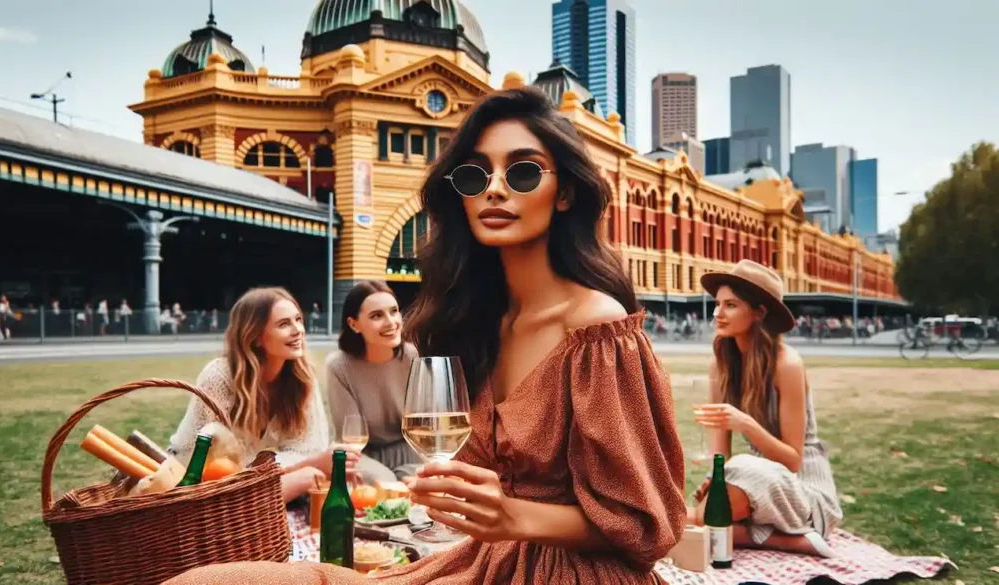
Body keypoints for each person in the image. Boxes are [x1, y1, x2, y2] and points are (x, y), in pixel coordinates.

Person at [165, 87, 686, 584]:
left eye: (524, 172)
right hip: (483, 563)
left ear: (566, 193)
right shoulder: (480, 324)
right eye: (475, 175)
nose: (495, 188)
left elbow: (648, 525)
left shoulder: (597, 327)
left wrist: (515, 516)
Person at [690, 259, 842, 558]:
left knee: (706, 516)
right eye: (717, 304)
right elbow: (721, 453)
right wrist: (716, 477)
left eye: (730, 305)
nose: (718, 313)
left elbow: (793, 460)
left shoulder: (787, 365)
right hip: (751, 475)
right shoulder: (721, 365)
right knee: (698, 516)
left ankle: (794, 537)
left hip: (804, 488)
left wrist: (747, 425)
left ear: (759, 313)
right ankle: (787, 540)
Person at [168, 287, 359, 503]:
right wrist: (310, 467)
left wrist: (314, 465)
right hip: (197, 492)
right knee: (308, 477)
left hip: (261, 493)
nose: (298, 330)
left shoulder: (302, 378)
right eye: (284, 324)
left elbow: (307, 450)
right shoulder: (219, 377)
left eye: (298, 320)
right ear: (256, 336)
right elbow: (208, 468)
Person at [325, 280, 421, 484]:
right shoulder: (339, 367)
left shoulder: (413, 357)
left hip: (411, 452)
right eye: (377, 315)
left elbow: (426, 428)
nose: (391, 322)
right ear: (353, 324)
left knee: (418, 479)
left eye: (394, 311)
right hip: (362, 457)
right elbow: (350, 439)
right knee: (382, 481)